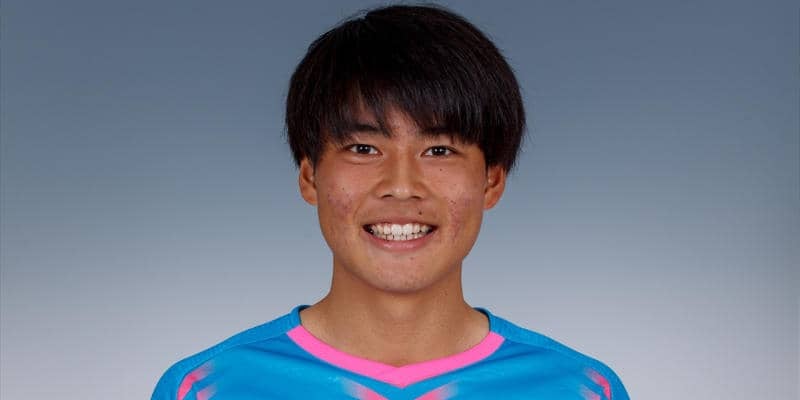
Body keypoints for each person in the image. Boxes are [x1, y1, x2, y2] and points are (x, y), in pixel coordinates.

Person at [152, 4, 629, 399]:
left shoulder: (582, 389)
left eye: (439, 150)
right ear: (310, 176)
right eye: (363, 148)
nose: (401, 186)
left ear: (492, 181)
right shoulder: (206, 388)